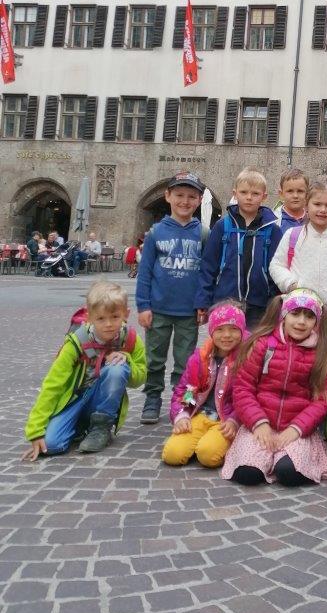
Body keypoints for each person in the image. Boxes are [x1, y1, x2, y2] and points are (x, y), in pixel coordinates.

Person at [22, 282, 146, 459]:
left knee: (117, 369)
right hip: (74, 400)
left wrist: (127, 360)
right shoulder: (76, 342)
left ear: (126, 314)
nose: (109, 324)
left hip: (100, 401)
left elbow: (140, 378)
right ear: (90, 317)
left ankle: (101, 428)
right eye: (101, 318)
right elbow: (53, 384)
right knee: (51, 445)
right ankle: (79, 427)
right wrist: (36, 430)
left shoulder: (130, 339)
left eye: (115, 317)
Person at [222, 289, 327, 487]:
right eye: (295, 314)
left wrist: (296, 429)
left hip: (296, 428)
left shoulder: (319, 353)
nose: (301, 322)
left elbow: (321, 401)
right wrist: (259, 423)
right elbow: (243, 388)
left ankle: (280, 460)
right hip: (260, 423)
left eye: (309, 317)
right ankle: (262, 459)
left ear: (316, 321)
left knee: (288, 473)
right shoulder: (262, 344)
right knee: (247, 474)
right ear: (284, 314)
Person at [136, 171, 204, 424]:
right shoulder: (156, 233)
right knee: (155, 359)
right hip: (158, 308)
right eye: (179, 195)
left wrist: (203, 304)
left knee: (186, 363)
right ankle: (152, 398)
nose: (185, 201)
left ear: (199, 200)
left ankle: (183, 401)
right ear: (167, 196)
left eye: (191, 196)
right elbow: (145, 273)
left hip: (188, 310)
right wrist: (143, 305)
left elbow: (207, 274)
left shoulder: (203, 233)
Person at [270, 181, 327, 363]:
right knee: (296, 358)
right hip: (298, 313)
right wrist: (291, 284)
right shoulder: (293, 235)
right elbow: (276, 265)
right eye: (317, 204)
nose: (322, 210)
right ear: (307, 205)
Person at [162, 301, 246, 469]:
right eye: (220, 329)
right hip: (199, 414)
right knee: (172, 454)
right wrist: (183, 414)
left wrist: (235, 420)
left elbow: (248, 397)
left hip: (226, 420)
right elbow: (188, 390)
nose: (227, 335)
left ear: (242, 331)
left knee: (208, 456)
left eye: (233, 329)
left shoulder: (247, 359)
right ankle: (197, 441)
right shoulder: (200, 359)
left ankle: (218, 444)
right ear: (211, 331)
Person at [195, 167, 280, 330]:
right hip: (225, 300)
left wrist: (275, 301)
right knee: (226, 342)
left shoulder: (272, 230)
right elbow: (208, 266)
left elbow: (276, 269)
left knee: (255, 344)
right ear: (235, 194)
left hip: (260, 304)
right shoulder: (222, 226)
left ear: (264, 196)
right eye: (244, 192)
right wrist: (203, 300)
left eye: (255, 193)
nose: (249, 197)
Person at [273, 168, 309, 235]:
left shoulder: (313, 219)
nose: (295, 196)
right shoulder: (273, 221)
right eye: (290, 191)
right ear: (281, 194)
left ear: (307, 194)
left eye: (300, 191)